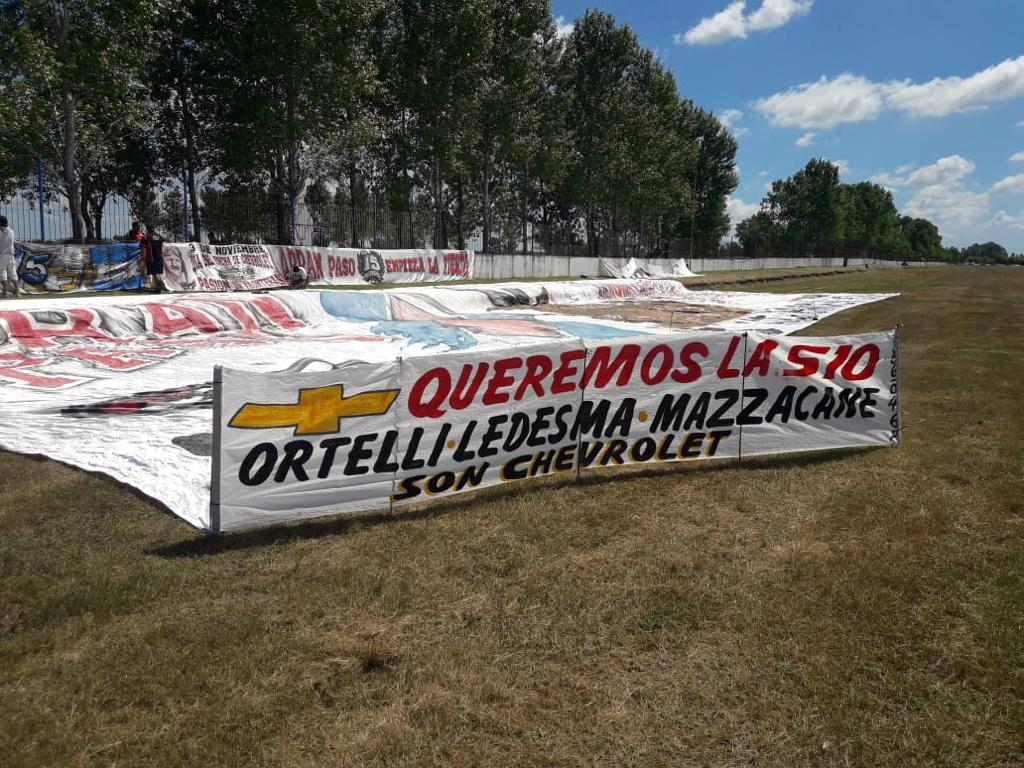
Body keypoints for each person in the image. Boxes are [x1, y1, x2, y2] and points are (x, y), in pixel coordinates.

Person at [142, 228, 165, 292]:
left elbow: (143, 247)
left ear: (147, 230)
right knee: (159, 272)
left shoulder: (146, 237)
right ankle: (159, 285)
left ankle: (158, 287)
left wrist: (143, 257)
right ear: (154, 229)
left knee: (154, 273)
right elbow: (163, 242)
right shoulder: (159, 236)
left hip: (152, 256)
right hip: (160, 256)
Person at [0, 216, 17, 297]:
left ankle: (5, 292)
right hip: (11, 255)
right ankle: (18, 292)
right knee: (13, 273)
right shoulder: (12, 232)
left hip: (2, 256)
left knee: (3, 273)